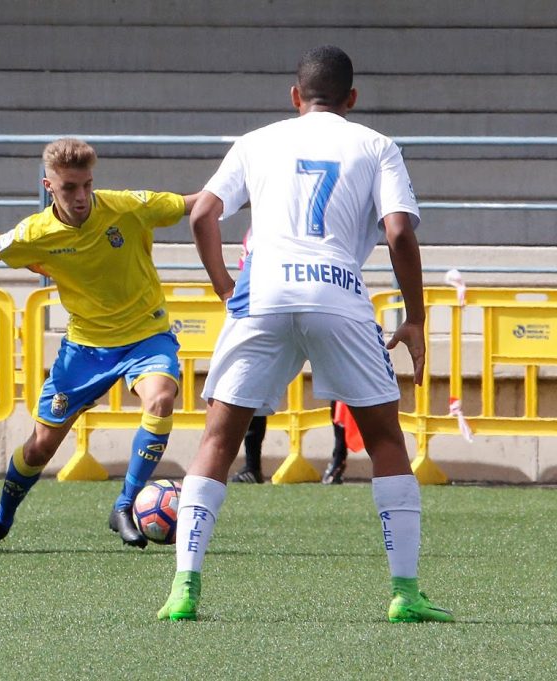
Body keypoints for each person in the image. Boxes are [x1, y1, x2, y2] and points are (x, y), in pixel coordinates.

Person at [157, 46, 453, 623]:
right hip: (338, 293)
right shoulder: (376, 144)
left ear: (295, 97)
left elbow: (200, 216)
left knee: (218, 439)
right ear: (352, 99)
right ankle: (405, 593)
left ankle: (184, 588)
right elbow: (398, 234)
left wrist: (225, 285)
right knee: (386, 439)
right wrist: (414, 317)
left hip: (261, 294)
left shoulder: (256, 141)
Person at [0, 137, 197, 551]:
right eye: (69, 187)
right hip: (85, 349)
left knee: (161, 399)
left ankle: (125, 505)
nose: (80, 196)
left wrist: (254, 186)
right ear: (48, 186)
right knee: (39, 448)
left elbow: (194, 203)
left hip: (146, 335)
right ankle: (0, 522)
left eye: (86, 185)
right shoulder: (37, 231)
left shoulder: (127, 206)